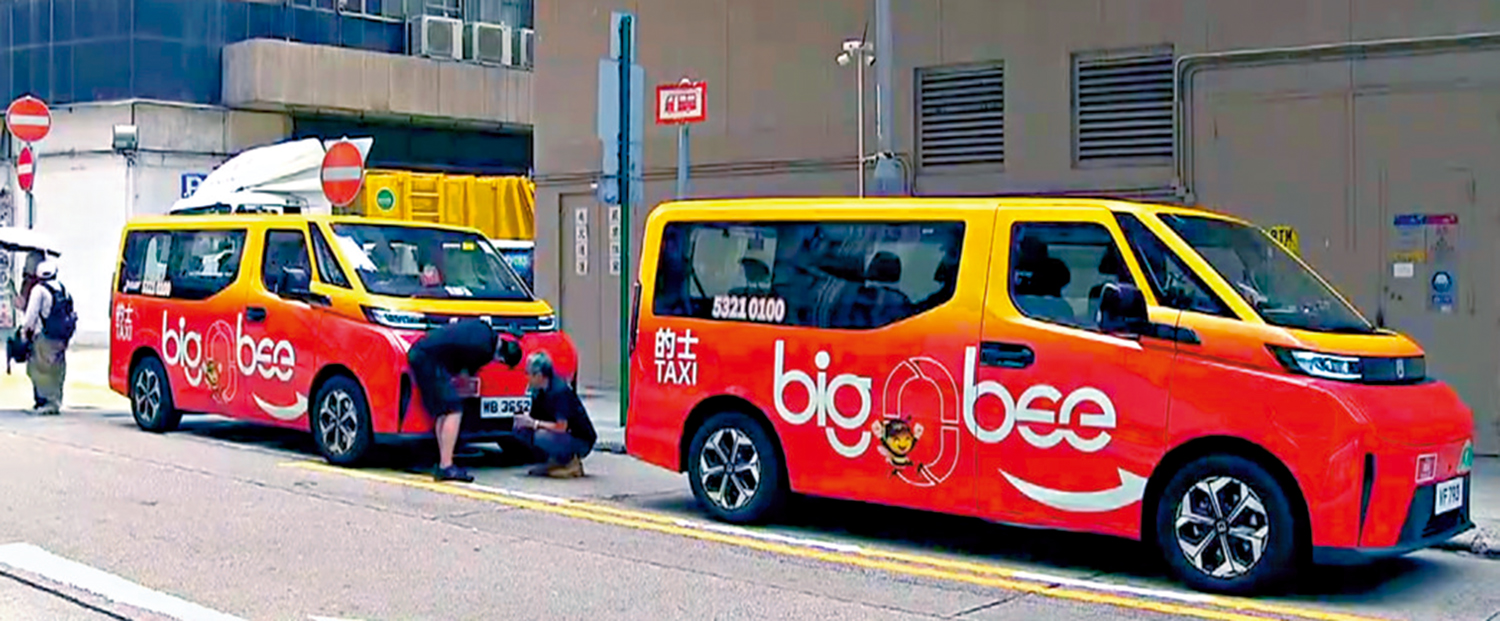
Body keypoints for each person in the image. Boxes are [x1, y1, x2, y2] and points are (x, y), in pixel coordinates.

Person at [407, 318, 522, 482]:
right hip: (428, 360)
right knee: (454, 409)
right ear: (502, 359)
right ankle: (446, 466)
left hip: (421, 350)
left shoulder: (485, 329)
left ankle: (442, 461)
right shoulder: (485, 351)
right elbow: (464, 376)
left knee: (443, 410)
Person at [513, 351, 597, 478]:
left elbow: (561, 426)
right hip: (560, 433)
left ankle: (571, 461)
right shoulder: (538, 391)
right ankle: (555, 460)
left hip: (579, 438)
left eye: (529, 374)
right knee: (521, 430)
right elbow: (536, 416)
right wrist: (525, 419)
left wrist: (534, 424)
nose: (527, 378)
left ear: (539, 375)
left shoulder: (559, 391)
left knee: (541, 435)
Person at [21, 260, 76, 415]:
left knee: (40, 369)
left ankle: (46, 402)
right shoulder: (62, 288)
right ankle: (56, 400)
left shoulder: (39, 290)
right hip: (61, 337)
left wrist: (25, 331)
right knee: (58, 369)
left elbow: (31, 315)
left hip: (45, 337)